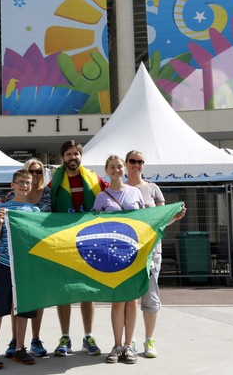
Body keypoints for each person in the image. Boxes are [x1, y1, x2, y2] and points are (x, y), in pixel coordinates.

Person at [124, 150, 186, 359]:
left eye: (140, 161)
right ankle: (129, 340)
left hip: (152, 249)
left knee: (150, 295)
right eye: (133, 161)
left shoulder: (153, 188)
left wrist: (174, 218)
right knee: (129, 298)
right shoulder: (120, 188)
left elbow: (162, 219)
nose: (136, 165)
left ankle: (149, 340)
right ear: (126, 164)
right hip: (127, 249)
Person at [50, 140, 108, 357]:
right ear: (62, 157)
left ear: (81, 156)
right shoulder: (53, 182)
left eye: (76, 154)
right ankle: (65, 337)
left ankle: (88, 336)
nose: (72, 157)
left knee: (86, 292)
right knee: (64, 292)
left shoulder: (95, 179)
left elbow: (115, 198)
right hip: (63, 242)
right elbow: (41, 205)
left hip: (89, 242)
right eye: (68, 154)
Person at [0, 169, 39, 369]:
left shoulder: (34, 212)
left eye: (28, 182)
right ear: (12, 185)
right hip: (6, 265)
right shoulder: (2, 208)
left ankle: (20, 348)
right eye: (21, 182)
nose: (25, 185)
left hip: (25, 267)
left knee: (23, 309)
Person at [91, 155, 145, 365]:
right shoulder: (101, 197)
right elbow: (94, 225)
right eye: (112, 167)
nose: (116, 170)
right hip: (112, 254)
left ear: (124, 169)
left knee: (131, 300)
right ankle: (117, 345)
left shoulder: (135, 192)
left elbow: (145, 220)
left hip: (133, 251)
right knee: (117, 301)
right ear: (107, 170)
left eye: (119, 166)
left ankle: (129, 345)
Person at [3, 158, 51, 358]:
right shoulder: (11, 196)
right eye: (32, 171)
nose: (36, 174)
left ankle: (35, 338)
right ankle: (16, 339)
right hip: (16, 257)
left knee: (37, 299)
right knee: (17, 301)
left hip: (40, 253)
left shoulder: (49, 194)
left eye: (39, 171)